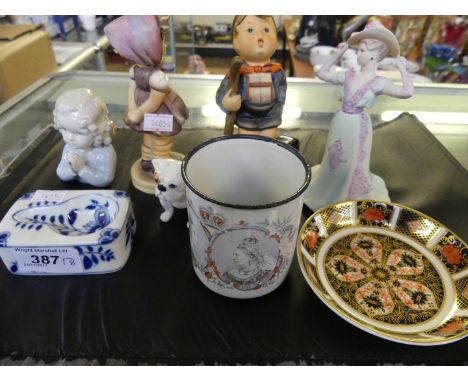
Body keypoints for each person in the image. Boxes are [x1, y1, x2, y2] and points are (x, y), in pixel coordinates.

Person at [303, 21, 414, 211]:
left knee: (351, 161)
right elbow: (321, 73)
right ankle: (328, 188)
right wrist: (337, 54)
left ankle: (346, 195)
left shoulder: (379, 82)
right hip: (340, 121)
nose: (357, 53)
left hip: (358, 126)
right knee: (333, 158)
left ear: (374, 55)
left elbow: (406, 91)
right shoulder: (348, 75)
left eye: (361, 50)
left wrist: (402, 69)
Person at [104, 16, 188, 173]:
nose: (164, 45)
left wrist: (138, 111)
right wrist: (132, 109)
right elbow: (134, 90)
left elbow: (154, 100)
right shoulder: (146, 74)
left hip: (154, 110)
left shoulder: (154, 77)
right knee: (157, 138)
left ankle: (156, 163)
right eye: (161, 40)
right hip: (152, 111)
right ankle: (153, 162)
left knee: (155, 137)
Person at [216, 15, 287, 139]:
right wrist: (226, 102)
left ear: (276, 42)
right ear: (235, 41)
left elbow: (281, 86)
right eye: (250, 30)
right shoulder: (237, 70)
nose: (260, 37)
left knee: (269, 143)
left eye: (266, 30)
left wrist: (280, 101)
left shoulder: (276, 71)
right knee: (247, 143)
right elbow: (223, 91)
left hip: (270, 116)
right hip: (246, 117)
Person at [54, 88, 117, 187]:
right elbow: (61, 172)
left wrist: (83, 169)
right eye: (65, 129)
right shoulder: (69, 148)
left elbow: (106, 179)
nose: (70, 137)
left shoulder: (105, 153)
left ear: (97, 131)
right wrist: (71, 170)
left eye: (79, 133)